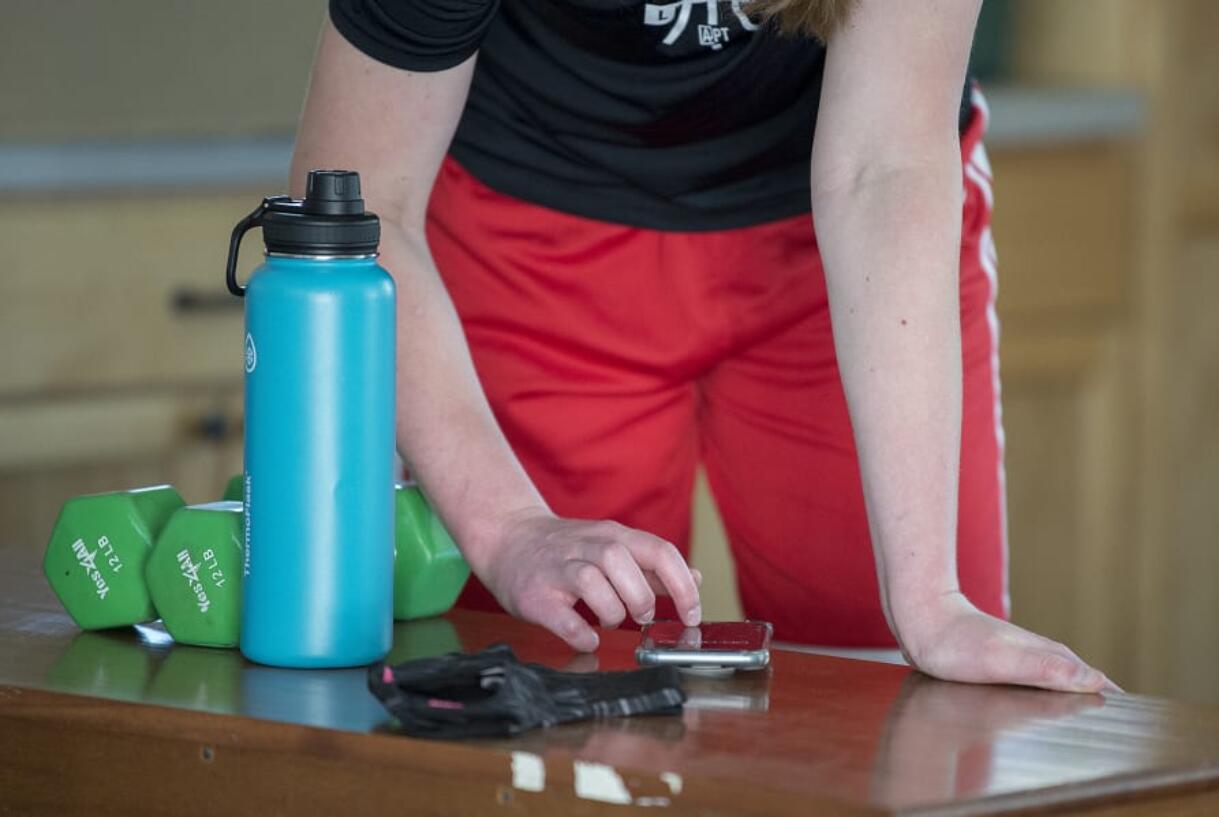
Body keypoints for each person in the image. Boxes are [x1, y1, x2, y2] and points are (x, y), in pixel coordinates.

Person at [291, 0, 1116, 692]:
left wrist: (933, 601)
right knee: (557, 695)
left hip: (849, 246)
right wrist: (506, 526)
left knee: (901, 703)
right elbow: (358, 212)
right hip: (533, 239)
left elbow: (885, 169)